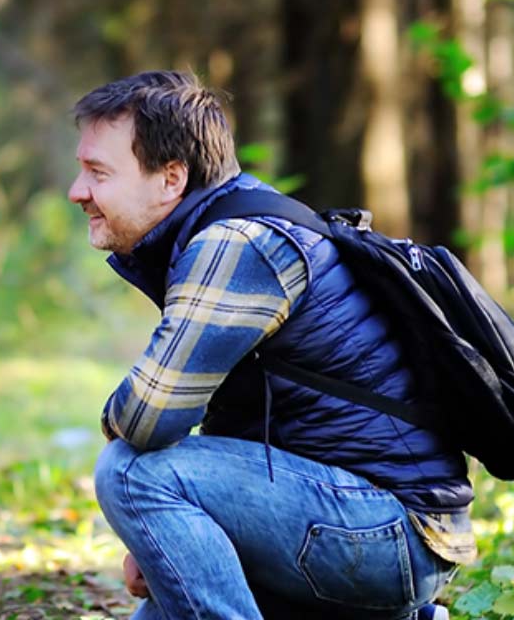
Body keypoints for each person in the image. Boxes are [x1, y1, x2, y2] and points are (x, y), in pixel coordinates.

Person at [69, 71, 472, 619]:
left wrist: (150, 499)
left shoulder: (237, 244)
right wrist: (163, 531)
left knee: (129, 472)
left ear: (170, 179)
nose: (78, 191)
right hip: (355, 518)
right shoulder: (224, 227)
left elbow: (147, 416)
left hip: (386, 531)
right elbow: (232, 423)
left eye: (97, 172)